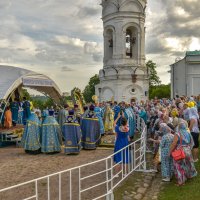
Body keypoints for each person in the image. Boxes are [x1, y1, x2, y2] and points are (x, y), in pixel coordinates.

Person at [170, 121, 197, 186]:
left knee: (179, 166)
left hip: (180, 151)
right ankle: (189, 175)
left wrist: (170, 151)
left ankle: (181, 181)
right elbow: (192, 142)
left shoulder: (178, 133)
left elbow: (174, 144)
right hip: (187, 150)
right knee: (188, 164)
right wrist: (188, 148)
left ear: (179, 127)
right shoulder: (188, 133)